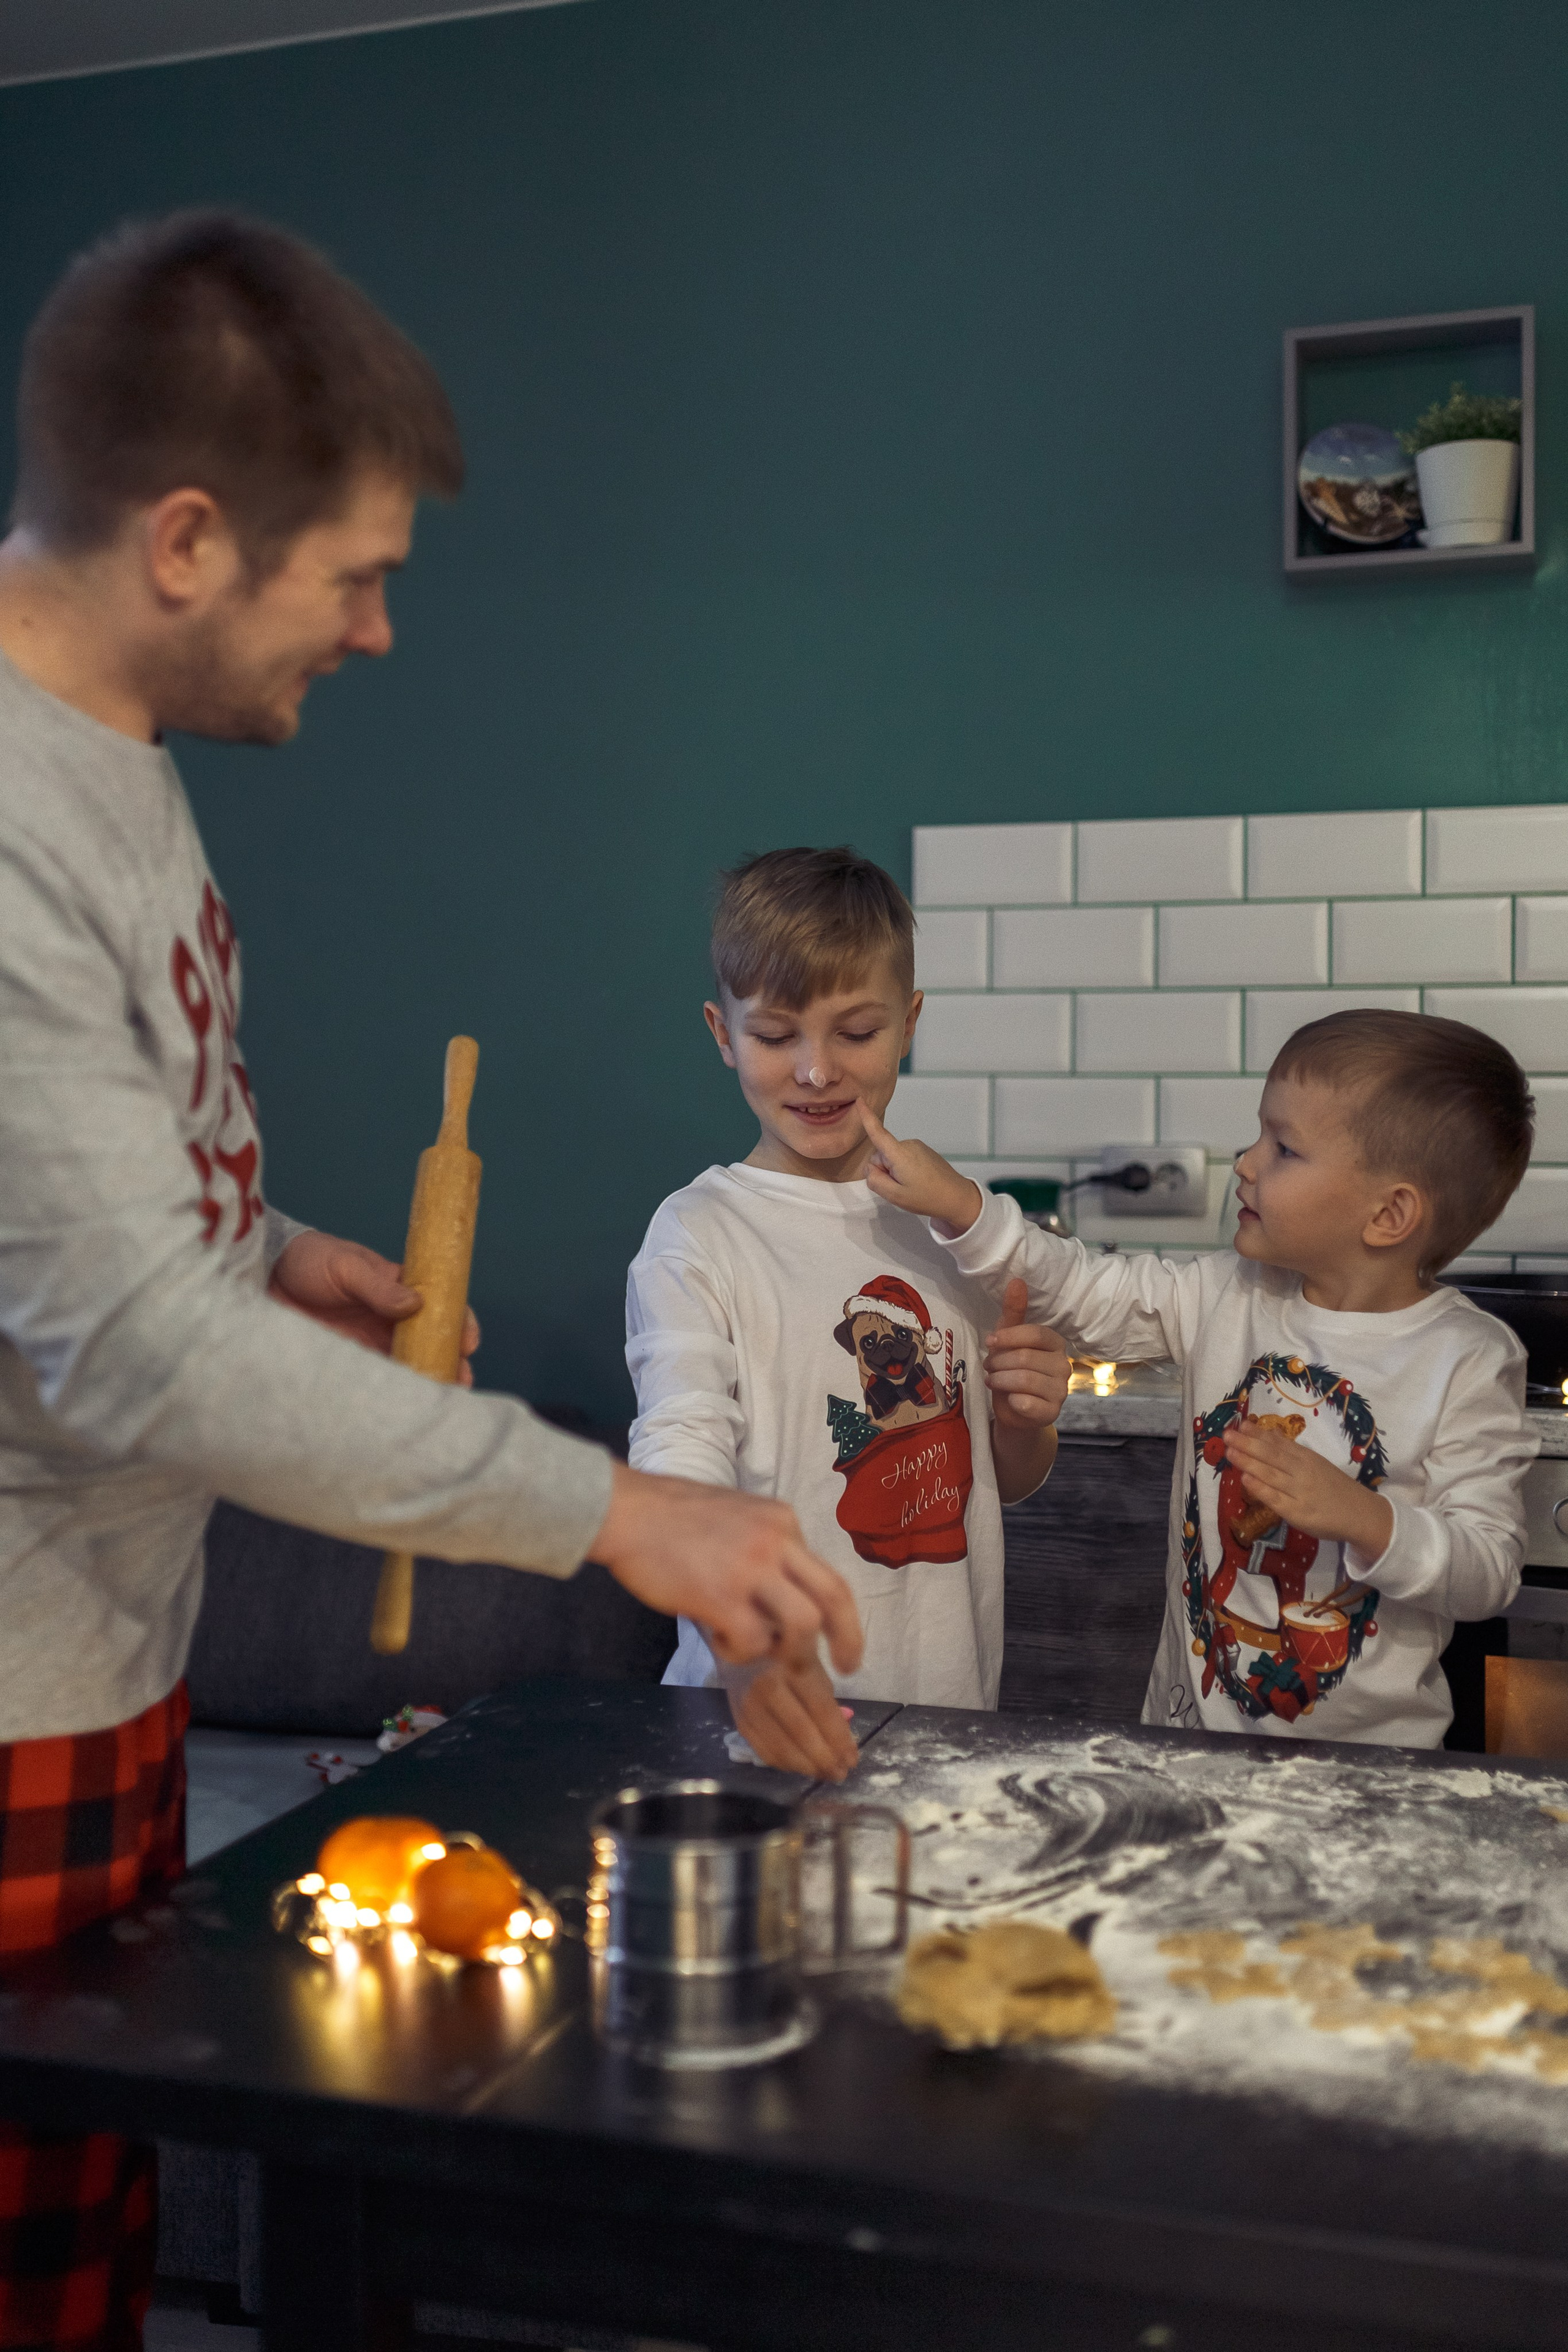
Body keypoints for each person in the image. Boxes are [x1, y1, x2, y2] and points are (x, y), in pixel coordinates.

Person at [0, 212, 859, 2349]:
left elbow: (92, 1208)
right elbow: (124, 1344)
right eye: (356, 574)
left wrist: (275, 1255)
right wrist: (618, 1506)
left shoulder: (115, 764)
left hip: (103, 1651)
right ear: (188, 539)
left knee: (72, 2263)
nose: (382, 630)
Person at [858, 1006, 1537, 1749]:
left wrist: (1361, 1517)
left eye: (1284, 1149)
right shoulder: (1226, 1293)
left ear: (1389, 1215)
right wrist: (963, 1208)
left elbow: (1488, 1571)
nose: (1245, 1162)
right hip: (1186, 1741)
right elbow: (1085, 1290)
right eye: (1259, 1134)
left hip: (1370, 1774)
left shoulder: (1468, 1359)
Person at [625, 846, 1070, 1780]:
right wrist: (747, 1658)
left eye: (855, 1033)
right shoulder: (698, 1234)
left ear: (909, 1024)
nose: (817, 1071)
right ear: (722, 1032)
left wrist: (1029, 1419)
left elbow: (1002, 1478)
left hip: (945, 1708)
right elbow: (680, 1462)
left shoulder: (952, 1224)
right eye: (776, 1035)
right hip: (751, 1711)